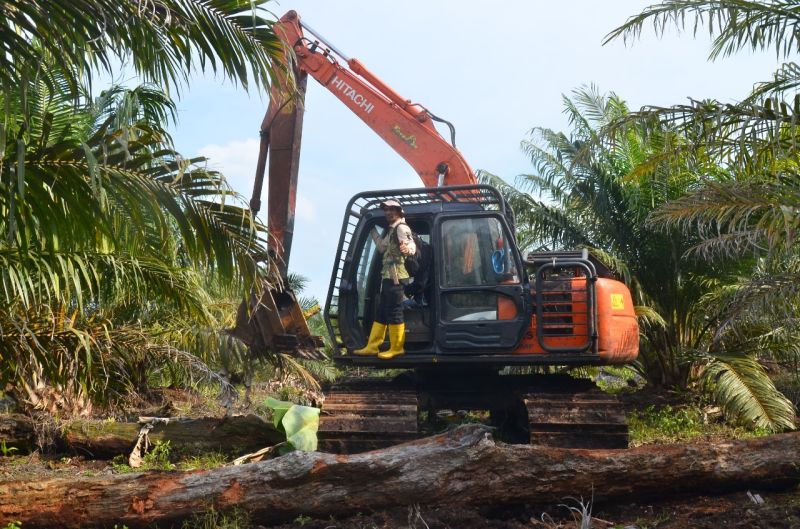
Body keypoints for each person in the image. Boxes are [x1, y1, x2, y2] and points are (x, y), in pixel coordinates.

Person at [353, 199, 416, 359]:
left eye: (392, 209)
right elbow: (381, 247)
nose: (388, 212)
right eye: (386, 210)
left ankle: (397, 347)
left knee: (395, 311)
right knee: (381, 311)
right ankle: (373, 346)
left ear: (399, 211)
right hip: (388, 277)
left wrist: (407, 249)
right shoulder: (391, 229)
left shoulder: (402, 228)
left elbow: (412, 247)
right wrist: (371, 227)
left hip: (397, 278)